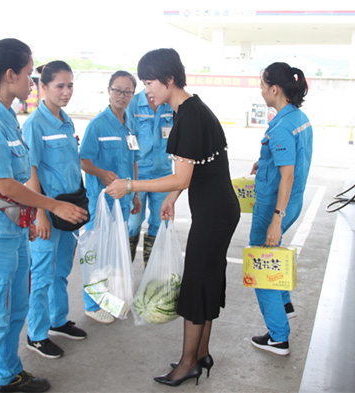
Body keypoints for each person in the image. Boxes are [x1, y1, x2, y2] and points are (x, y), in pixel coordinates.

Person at [106, 48, 240, 387]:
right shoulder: (191, 110)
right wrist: (173, 197)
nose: (146, 90)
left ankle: (187, 364)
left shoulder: (188, 116)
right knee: (207, 279)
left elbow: (181, 176)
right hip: (219, 210)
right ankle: (202, 352)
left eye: (150, 82)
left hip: (213, 215)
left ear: (168, 80)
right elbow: (192, 171)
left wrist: (131, 184)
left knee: (196, 285)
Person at [0, 39, 87, 393]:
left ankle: (9, 374)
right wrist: (51, 207)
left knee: (15, 310)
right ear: (9, 75)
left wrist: (29, 218)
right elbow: (5, 185)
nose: (33, 82)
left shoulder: (7, 118)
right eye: (30, 75)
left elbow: (18, 180)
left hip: (11, 230)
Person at [22, 61, 87, 360]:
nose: (66, 91)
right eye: (60, 86)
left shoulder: (66, 120)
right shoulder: (35, 124)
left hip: (69, 208)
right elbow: (30, 172)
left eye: (70, 85)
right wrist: (40, 213)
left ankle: (58, 320)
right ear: (42, 87)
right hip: (48, 211)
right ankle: (36, 335)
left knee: (61, 270)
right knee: (42, 274)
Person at [248, 62, 313, 356]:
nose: (261, 91)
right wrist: (264, 162)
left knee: (262, 267)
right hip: (292, 201)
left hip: (275, 206)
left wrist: (276, 219)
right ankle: (285, 305)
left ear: (275, 89)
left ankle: (278, 337)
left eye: (262, 86)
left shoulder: (283, 127)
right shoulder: (298, 118)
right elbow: (291, 162)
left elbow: (286, 174)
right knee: (272, 253)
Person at [79, 70, 142, 324]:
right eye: (117, 90)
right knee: (97, 255)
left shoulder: (131, 124)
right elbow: (84, 160)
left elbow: (134, 160)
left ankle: (109, 298)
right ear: (108, 91)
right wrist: (101, 172)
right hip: (102, 203)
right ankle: (91, 305)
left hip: (124, 203)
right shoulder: (97, 125)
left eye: (127, 92)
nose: (122, 96)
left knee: (115, 254)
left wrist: (135, 194)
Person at [126, 90, 174, 266]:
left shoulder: (169, 104)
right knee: (133, 222)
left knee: (160, 223)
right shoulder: (134, 103)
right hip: (138, 173)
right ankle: (124, 271)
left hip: (164, 174)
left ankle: (151, 275)